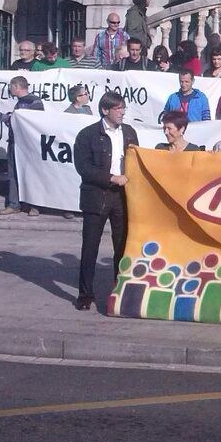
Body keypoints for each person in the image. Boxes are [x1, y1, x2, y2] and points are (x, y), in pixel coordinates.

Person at [73, 92, 139, 310]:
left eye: (123, 108)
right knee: (90, 246)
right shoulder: (88, 135)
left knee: (122, 245)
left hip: (121, 197)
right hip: (97, 196)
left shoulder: (129, 132)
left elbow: (136, 160)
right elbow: (84, 168)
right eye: (118, 108)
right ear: (105, 110)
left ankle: (119, 288)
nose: (122, 112)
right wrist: (111, 178)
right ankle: (85, 294)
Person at [0, 77, 44, 217]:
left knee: (32, 174)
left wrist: (3, 117)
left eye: (11, 87)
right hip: (15, 143)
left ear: (17, 87)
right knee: (13, 174)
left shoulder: (34, 101)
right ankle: (14, 204)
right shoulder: (20, 103)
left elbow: (34, 122)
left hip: (29, 145)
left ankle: (35, 205)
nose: (10, 90)